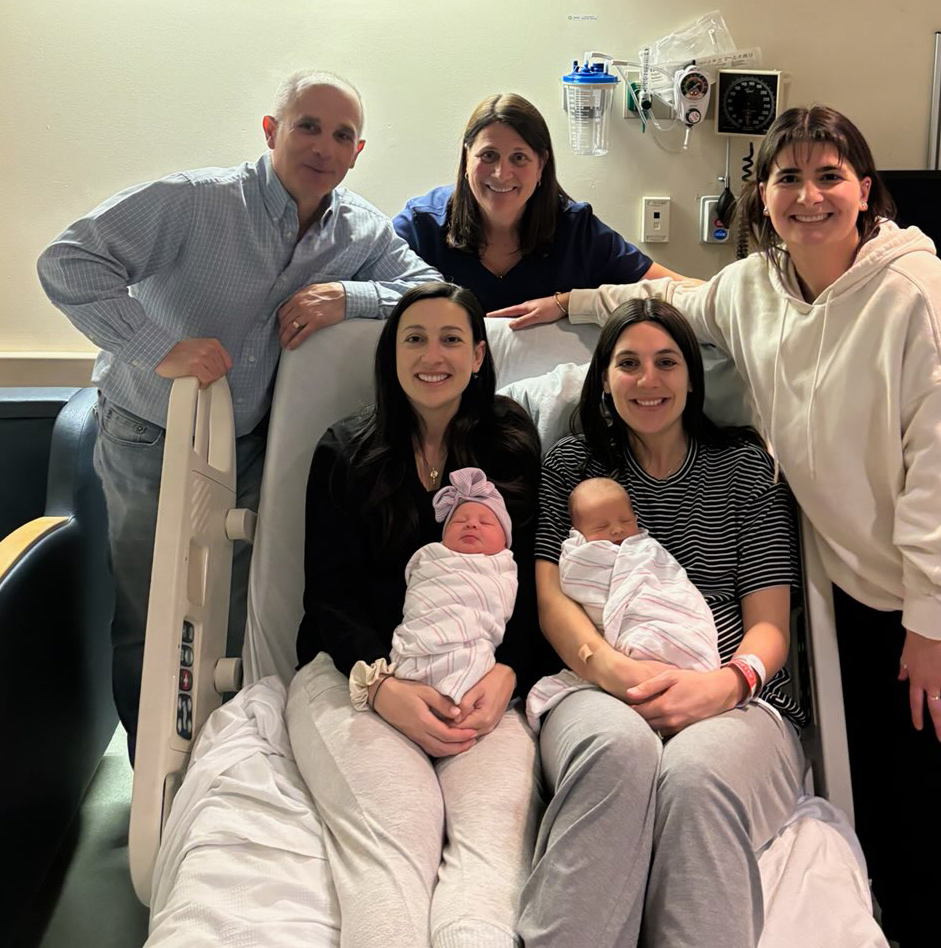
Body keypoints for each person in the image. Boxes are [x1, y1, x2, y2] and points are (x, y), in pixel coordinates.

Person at [513, 105, 941, 948]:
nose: (809, 196)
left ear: (865, 190)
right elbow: (677, 303)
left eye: (829, 175)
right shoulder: (757, 289)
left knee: (940, 832)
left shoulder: (923, 299)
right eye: (788, 178)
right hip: (871, 597)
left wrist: (930, 624)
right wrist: (580, 301)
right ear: (761, 198)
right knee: (875, 816)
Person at [36, 69, 440, 754]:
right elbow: (67, 261)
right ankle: (152, 788)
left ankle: (213, 775)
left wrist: (346, 296)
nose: (322, 145)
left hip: (249, 444)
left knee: (229, 621)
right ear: (270, 131)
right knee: (151, 613)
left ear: (357, 152)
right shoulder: (194, 202)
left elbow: (433, 289)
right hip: (148, 434)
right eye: (307, 126)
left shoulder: (360, 233)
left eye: (341, 135)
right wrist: (159, 348)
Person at [517, 299, 806, 948]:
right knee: (618, 753)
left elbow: (771, 627)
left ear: (691, 378)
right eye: (629, 364)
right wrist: (615, 672)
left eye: (667, 362)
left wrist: (727, 684)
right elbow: (553, 601)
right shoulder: (573, 466)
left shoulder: (744, 468)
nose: (649, 381)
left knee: (697, 779)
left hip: (737, 696)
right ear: (604, 380)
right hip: (598, 684)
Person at [286, 281, 558, 948]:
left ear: (477, 357)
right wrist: (383, 689)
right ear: (391, 355)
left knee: (492, 854)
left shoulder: (511, 441)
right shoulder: (344, 450)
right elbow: (327, 594)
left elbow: (531, 575)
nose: (431, 355)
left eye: (450, 339)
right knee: (395, 841)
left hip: (481, 681)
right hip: (353, 676)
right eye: (414, 338)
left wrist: (511, 675)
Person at [393, 92, 684, 318]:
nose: (501, 174)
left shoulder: (576, 232)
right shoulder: (422, 226)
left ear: (541, 164)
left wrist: (569, 303)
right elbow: (358, 290)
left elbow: (683, 293)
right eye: (488, 155)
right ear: (466, 158)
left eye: (519, 157)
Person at [524, 477, 721, 731]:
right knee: (616, 741)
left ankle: (687, 660)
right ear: (578, 533)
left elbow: (671, 582)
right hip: (619, 667)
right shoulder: (582, 556)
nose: (617, 530)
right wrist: (613, 667)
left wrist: (734, 680)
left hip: (704, 669)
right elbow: (567, 591)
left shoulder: (646, 548)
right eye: (601, 526)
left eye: (626, 521)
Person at [368, 467, 518, 705]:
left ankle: (454, 695)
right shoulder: (432, 557)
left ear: (506, 541)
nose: (471, 525)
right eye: (460, 520)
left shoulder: (502, 567)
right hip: (417, 638)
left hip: (470, 646)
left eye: (485, 522)